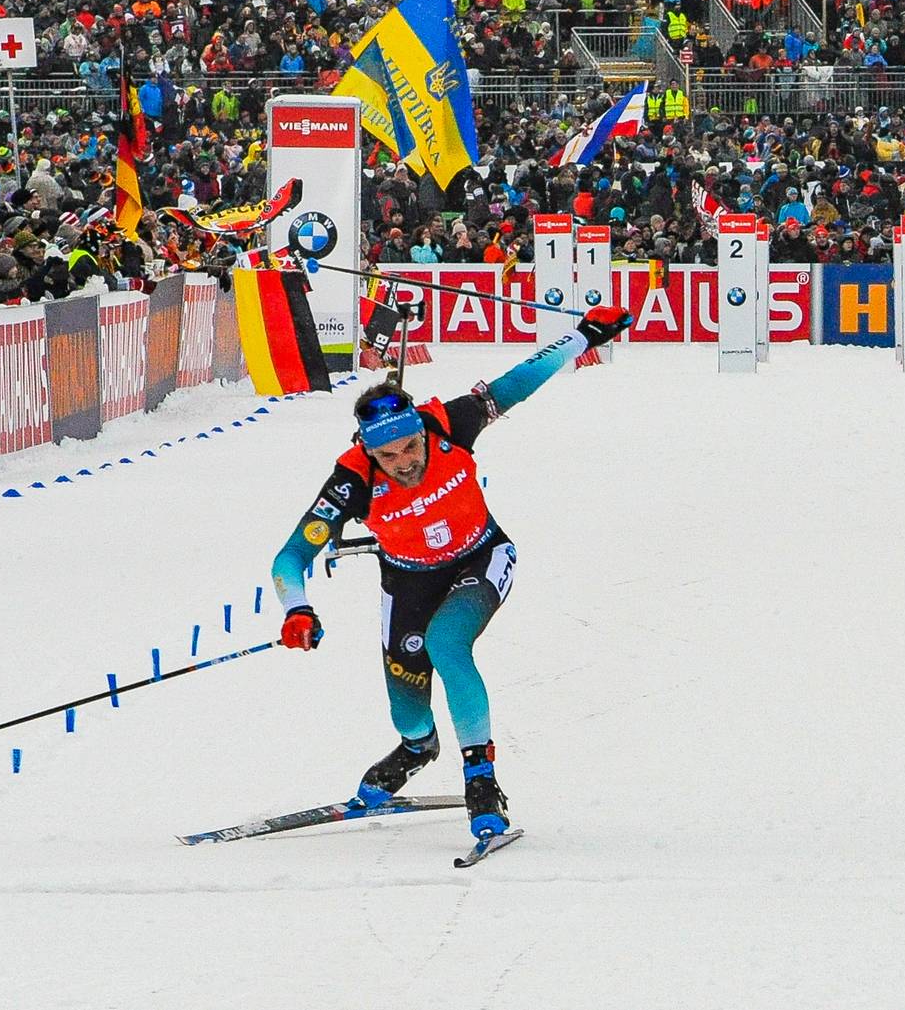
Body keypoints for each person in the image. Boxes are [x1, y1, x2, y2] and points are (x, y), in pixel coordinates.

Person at [269, 304, 636, 842]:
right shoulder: (351, 481)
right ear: (366, 450)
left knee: (447, 642)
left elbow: (520, 380)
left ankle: (481, 780)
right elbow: (289, 558)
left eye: (411, 446)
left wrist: (583, 336)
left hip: (480, 556)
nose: (405, 462)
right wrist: (296, 608)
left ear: (421, 430)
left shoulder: (448, 422)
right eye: (388, 455)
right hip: (408, 580)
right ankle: (419, 746)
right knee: (407, 710)